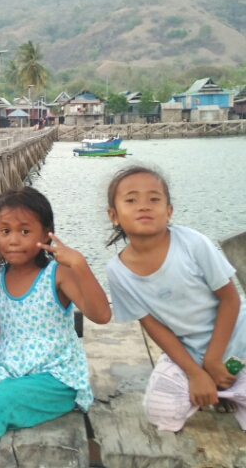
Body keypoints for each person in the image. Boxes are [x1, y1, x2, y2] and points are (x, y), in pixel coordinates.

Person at [0, 186, 111, 457]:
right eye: (5, 231)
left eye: (25, 231)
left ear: (46, 234)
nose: (13, 240)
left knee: (1, 401)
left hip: (57, 377)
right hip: (9, 372)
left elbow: (102, 315)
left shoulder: (57, 274)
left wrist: (79, 264)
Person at [104, 165, 246, 432]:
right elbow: (153, 326)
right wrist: (195, 372)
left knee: (233, 373)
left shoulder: (192, 244)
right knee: (160, 409)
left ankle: (225, 390)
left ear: (169, 212)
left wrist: (213, 362)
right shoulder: (117, 271)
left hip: (238, 340)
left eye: (154, 199)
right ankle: (213, 390)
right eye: (131, 200)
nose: (144, 206)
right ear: (114, 215)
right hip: (189, 351)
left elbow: (231, 300)